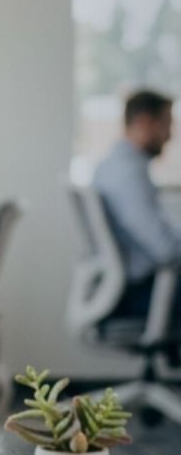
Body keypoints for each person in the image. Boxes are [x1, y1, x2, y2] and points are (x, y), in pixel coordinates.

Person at [92, 89, 181, 321]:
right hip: (141, 293)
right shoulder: (127, 174)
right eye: (167, 124)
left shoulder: (114, 166)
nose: (171, 135)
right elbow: (166, 250)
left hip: (135, 288)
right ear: (144, 122)